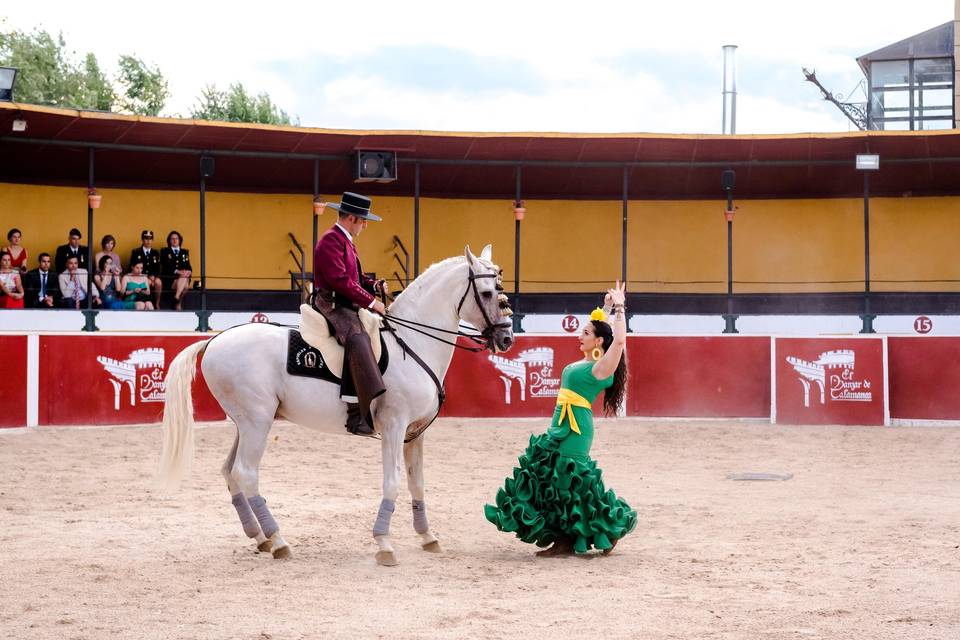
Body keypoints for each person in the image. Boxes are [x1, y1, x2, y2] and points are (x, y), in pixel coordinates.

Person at [484, 282, 636, 556]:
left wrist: (621, 308)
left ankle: (602, 530)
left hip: (577, 428)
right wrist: (606, 307)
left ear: (599, 341)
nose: (581, 335)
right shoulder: (585, 361)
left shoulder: (603, 367)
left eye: (586, 333)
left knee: (569, 480)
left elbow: (620, 340)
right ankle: (564, 539)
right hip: (559, 426)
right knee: (552, 477)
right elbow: (599, 325)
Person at [313, 192, 389, 436]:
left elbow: (356, 277)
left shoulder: (344, 241)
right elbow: (340, 281)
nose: (365, 225)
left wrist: (373, 285)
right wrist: (371, 302)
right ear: (353, 218)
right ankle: (356, 414)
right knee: (357, 339)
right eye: (364, 220)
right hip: (333, 305)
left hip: (346, 302)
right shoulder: (330, 241)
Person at [129, 230, 162, 309]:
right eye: (146, 239)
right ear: (142, 240)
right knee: (148, 282)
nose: (148, 241)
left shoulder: (155, 252)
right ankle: (147, 302)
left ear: (152, 240)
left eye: (150, 239)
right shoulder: (136, 252)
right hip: (140, 276)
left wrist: (154, 276)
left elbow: (157, 267)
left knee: (158, 282)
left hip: (152, 276)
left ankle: (157, 303)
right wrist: (144, 276)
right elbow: (132, 266)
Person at [160, 230, 192, 310]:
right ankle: (178, 302)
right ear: (169, 241)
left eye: (176, 238)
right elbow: (165, 266)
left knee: (184, 280)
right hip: (170, 279)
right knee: (185, 286)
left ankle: (176, 297)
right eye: (172, 239)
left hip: (182, 278)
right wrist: (178, 272)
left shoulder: (184, 252)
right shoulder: (165, 251)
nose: (174, 240)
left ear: (180, 240)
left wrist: (189, 271)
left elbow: (188, 266)